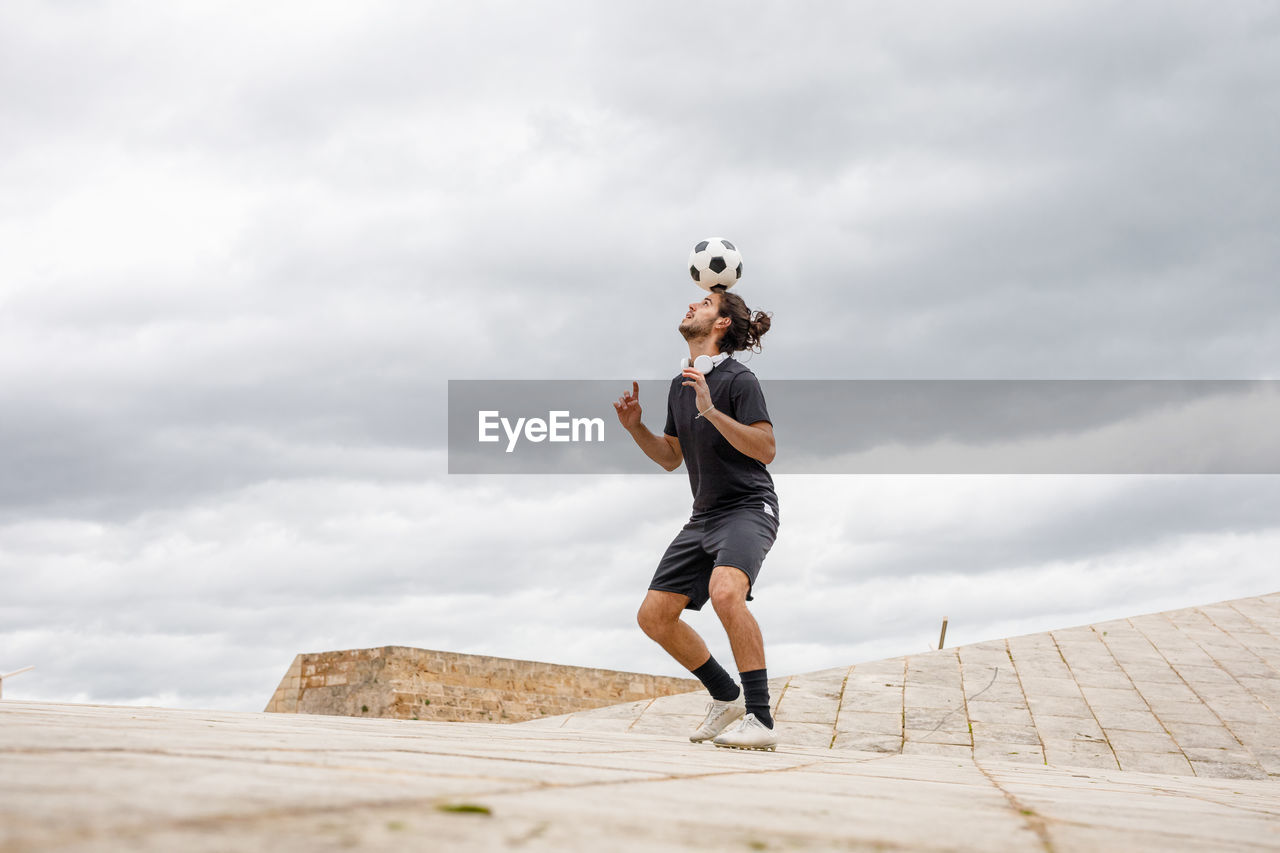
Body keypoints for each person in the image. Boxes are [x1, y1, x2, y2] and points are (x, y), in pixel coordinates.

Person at [613, 285, 780, 750]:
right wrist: (636, 429)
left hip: (749, 507)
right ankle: (726, 696)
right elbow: (670, 457)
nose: (692, 305)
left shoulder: (738, 381)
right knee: (654, 617)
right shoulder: (680, 385)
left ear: (722, 323)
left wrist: (711, 410)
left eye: (704, 303)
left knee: (726, 591)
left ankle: (761, 719)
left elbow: (766, 448)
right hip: (703, 516)